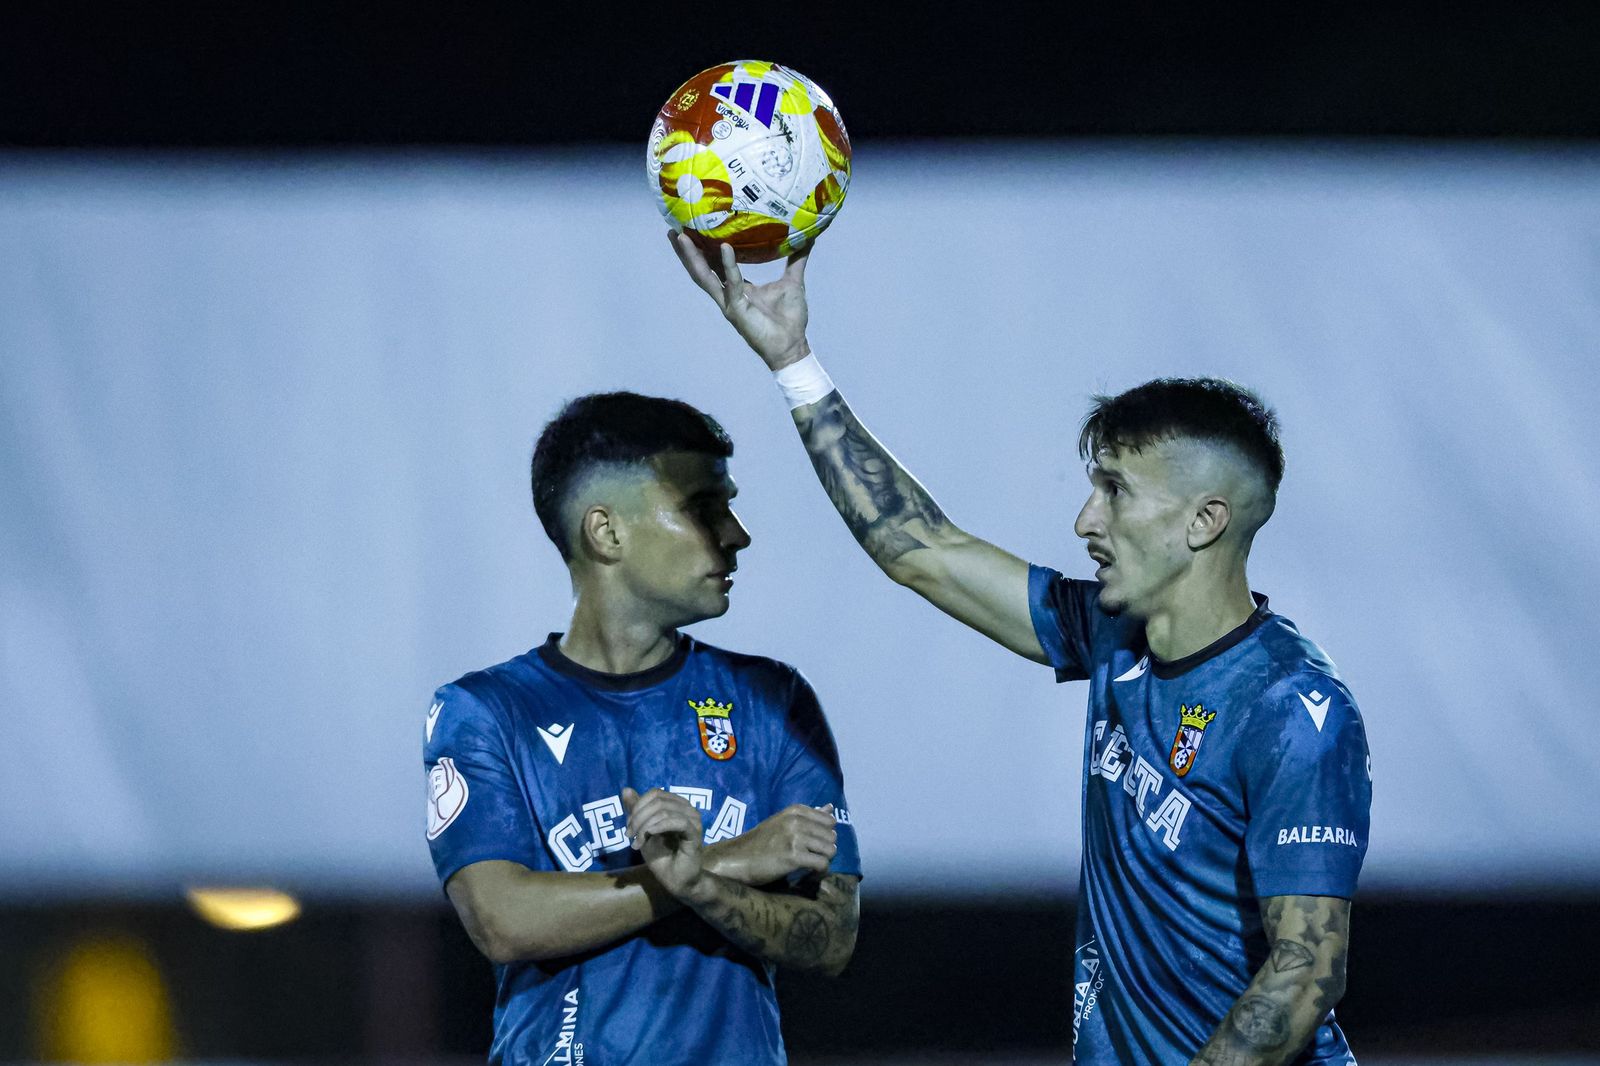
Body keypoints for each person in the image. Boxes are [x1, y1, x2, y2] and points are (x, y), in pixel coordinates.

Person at [670, 235, 1372, 1065]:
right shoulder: (1113, 634)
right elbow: (919, 549)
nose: (1086, 521)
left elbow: (1306, 969)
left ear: (1204, 521)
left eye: (1115, 491)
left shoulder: (1292, 710)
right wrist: (793, 360)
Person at [423, 391, 862, 1066]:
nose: (737, 534)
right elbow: (501, 920)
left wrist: (700, 883)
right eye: (703, 509)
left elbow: (832, 938)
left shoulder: (775, 700)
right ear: (607, 533)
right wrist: (726, 861)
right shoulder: (484, 710)